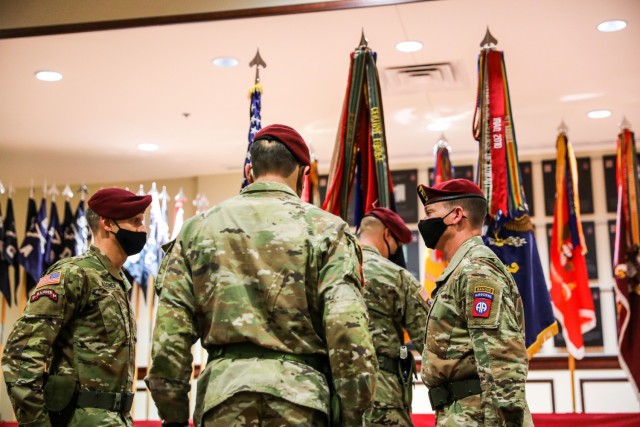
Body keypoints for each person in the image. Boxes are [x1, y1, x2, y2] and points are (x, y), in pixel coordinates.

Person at [146, 124, 378, 427]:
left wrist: (173, 415)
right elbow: (347, 329)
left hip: (223, 402)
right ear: (304, 173)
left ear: (248, 170)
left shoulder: (197, 230)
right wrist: (352, 414)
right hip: (302, 403)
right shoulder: (328, 231)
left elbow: (170, 335)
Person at [2, 188, 151, 426]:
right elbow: (19, 355)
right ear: (107, 223)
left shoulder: (116, 282)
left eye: (142, 222)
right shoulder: (73, 274)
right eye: (135, 222)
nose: (143, 230)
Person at [416, 178, 533, 426]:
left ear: (456, 215)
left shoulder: (476, 269)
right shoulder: (461, 269)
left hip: (477, 416)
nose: (424, 222)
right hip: (461, 413)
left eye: (430, 212)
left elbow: (502, 361)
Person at [357, 207, 428, 426]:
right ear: (387, 235)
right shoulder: (397, 277)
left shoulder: (327, 269)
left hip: (333, 393)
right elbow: (429, 339)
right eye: (396, 244)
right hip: (382, 396)